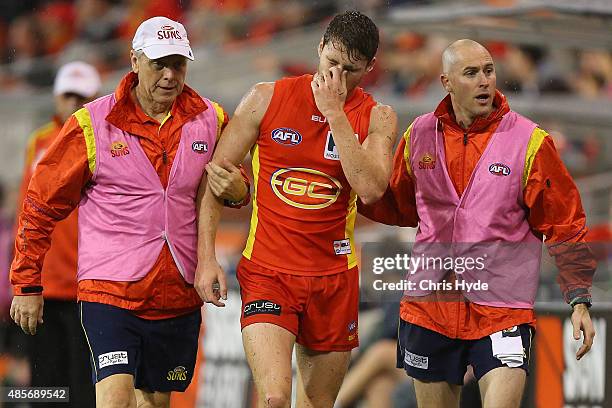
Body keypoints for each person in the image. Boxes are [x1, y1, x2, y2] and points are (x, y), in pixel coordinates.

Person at [9, 16, 249, 408]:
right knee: (114, 398)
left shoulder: (212, 118)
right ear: (134, 60)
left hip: (177, 290)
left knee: (154, 402)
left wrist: (239, 190)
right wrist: (27, 283)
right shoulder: (91, 124)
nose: (170, 75)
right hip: (110, 289)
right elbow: (39, 203)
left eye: (179, 64)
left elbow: (238, 182)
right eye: (159, 64)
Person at [359, 39, 596, 408]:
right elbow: (397, 206)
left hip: (502, 310)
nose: (485, 80)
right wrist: (349, 187)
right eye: (471, 73)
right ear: (446, 82)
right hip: (430, 308)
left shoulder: (529, 142)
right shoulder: (419, 135)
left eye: (489, 70)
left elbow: (564, 221)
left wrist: (579, 299)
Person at [196, 10, 397, 408]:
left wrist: (335, 114)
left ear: (370, 67)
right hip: (269, 271)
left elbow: (372, 188)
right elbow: (215, 176)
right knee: (274, 399)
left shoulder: (378, 117)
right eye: (332, 64)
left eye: (351, 70)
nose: (337, 78)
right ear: (319, 47)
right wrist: (206, 258)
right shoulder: (266, 97)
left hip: (333, 280)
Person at [16, 61, 101, 407]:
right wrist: (22, 282)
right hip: (45, 287)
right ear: (55, 97)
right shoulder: (38, 142)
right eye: (68, 95)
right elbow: (26, 212)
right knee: (44, 387)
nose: (73, 104)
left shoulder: (104, 143)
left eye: (82, 97)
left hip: (89, 287)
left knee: (84, 387)